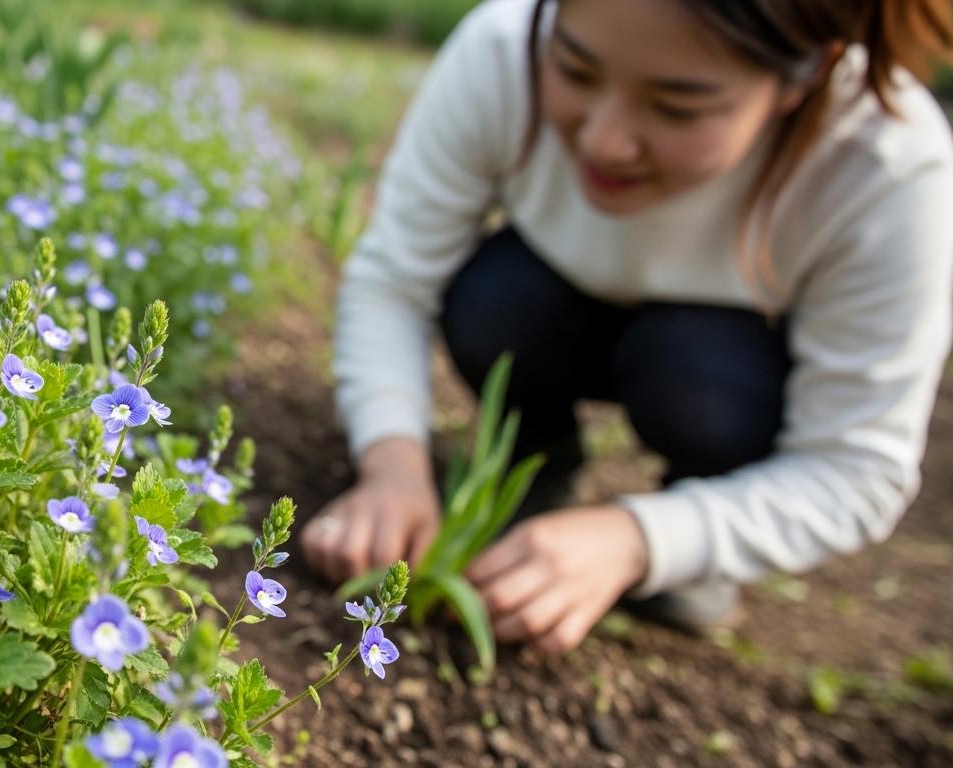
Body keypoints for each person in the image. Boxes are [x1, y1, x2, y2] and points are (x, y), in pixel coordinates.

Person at [302, 0, 953, 654]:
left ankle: (701, 532)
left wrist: (641, 538)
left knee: (702, 375)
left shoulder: (888, 162)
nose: (603, 141)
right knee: (499, 300)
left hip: (720, 372)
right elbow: (393, 280)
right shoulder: (504, 46)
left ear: (805, 76)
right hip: (548, 307)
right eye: (576, 70)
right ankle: (532, 465)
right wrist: (392, 467)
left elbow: (856, 468)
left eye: (677, 107)